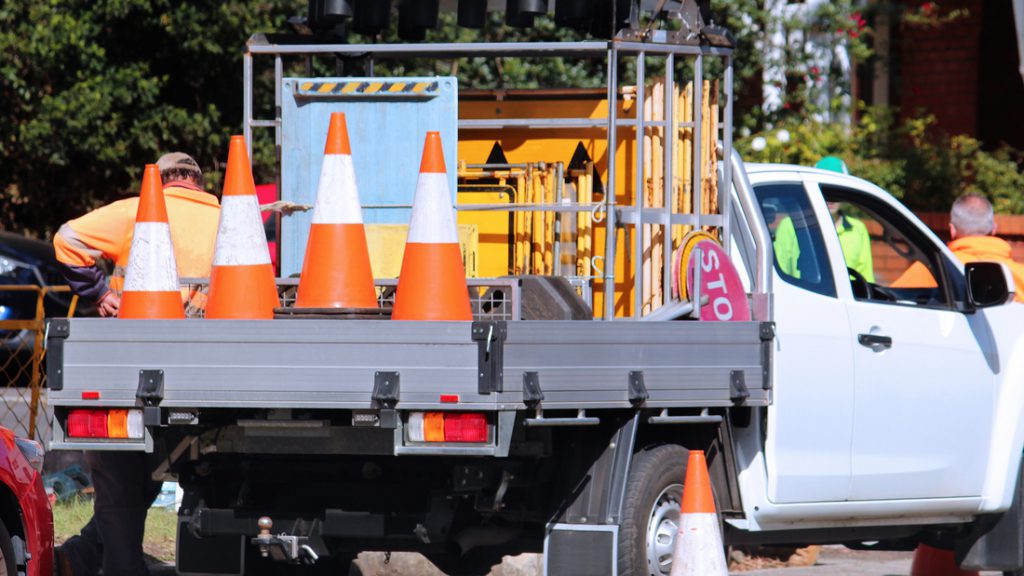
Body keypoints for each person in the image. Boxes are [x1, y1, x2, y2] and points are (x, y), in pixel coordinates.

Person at [53, 153, 220, 576]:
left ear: (159, 182)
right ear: (198, 183)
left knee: (120, 477)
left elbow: (66, 239)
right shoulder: (232, 217)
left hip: (138, 363)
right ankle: (84, 554)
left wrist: (100, 293)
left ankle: (115, 564)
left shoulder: (139, 210)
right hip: (214, 367)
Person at [893, 192, 1024, 302]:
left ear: (952, 230)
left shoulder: (933, 269)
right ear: (994, 228)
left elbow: (891, 302)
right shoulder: (1020, 275)